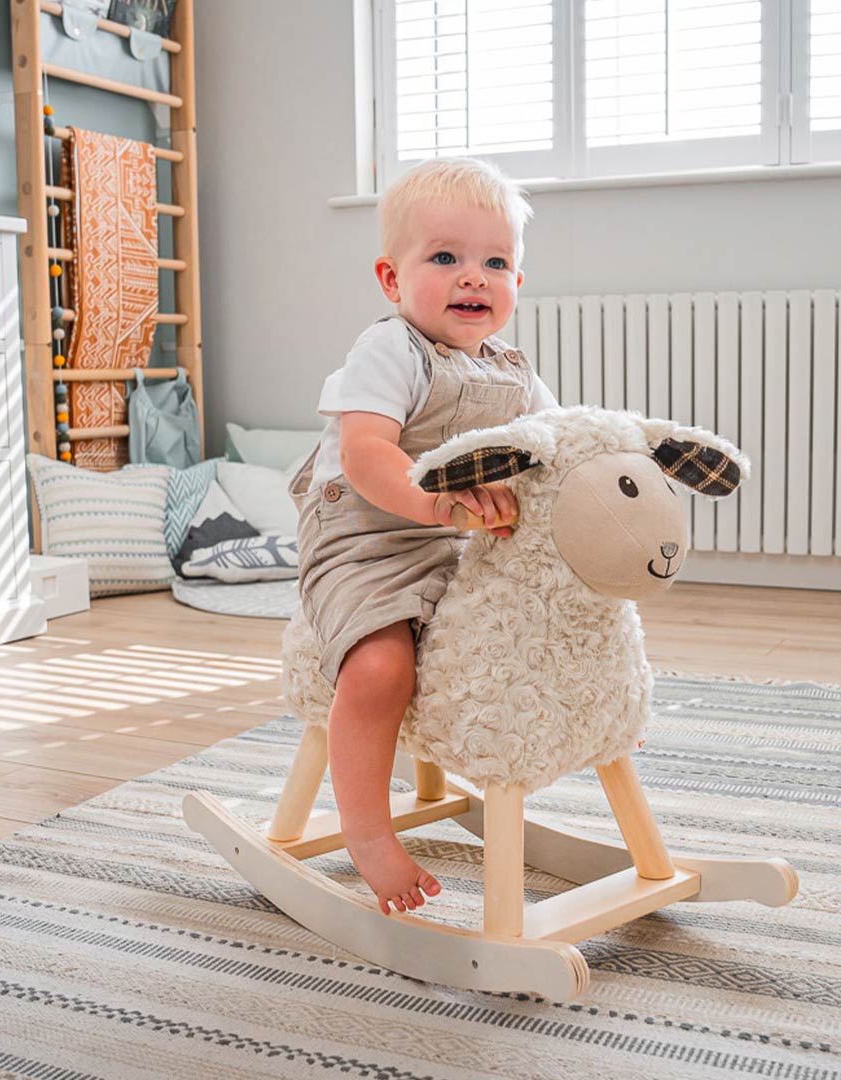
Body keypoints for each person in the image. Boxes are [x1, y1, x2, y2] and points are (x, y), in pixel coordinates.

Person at [289, 157, 558, 916]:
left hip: (452, 540)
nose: (474, 277)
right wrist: (434, 504)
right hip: (363, 540)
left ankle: (597, 708)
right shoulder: (389, 349)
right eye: (445, 257)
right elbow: (365, 453)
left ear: (517, 281)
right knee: (380, 669)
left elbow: (557, 444)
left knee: (538, 616)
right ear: (392, 279)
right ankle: (367, 831)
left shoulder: (514, 372)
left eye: (495, 263)